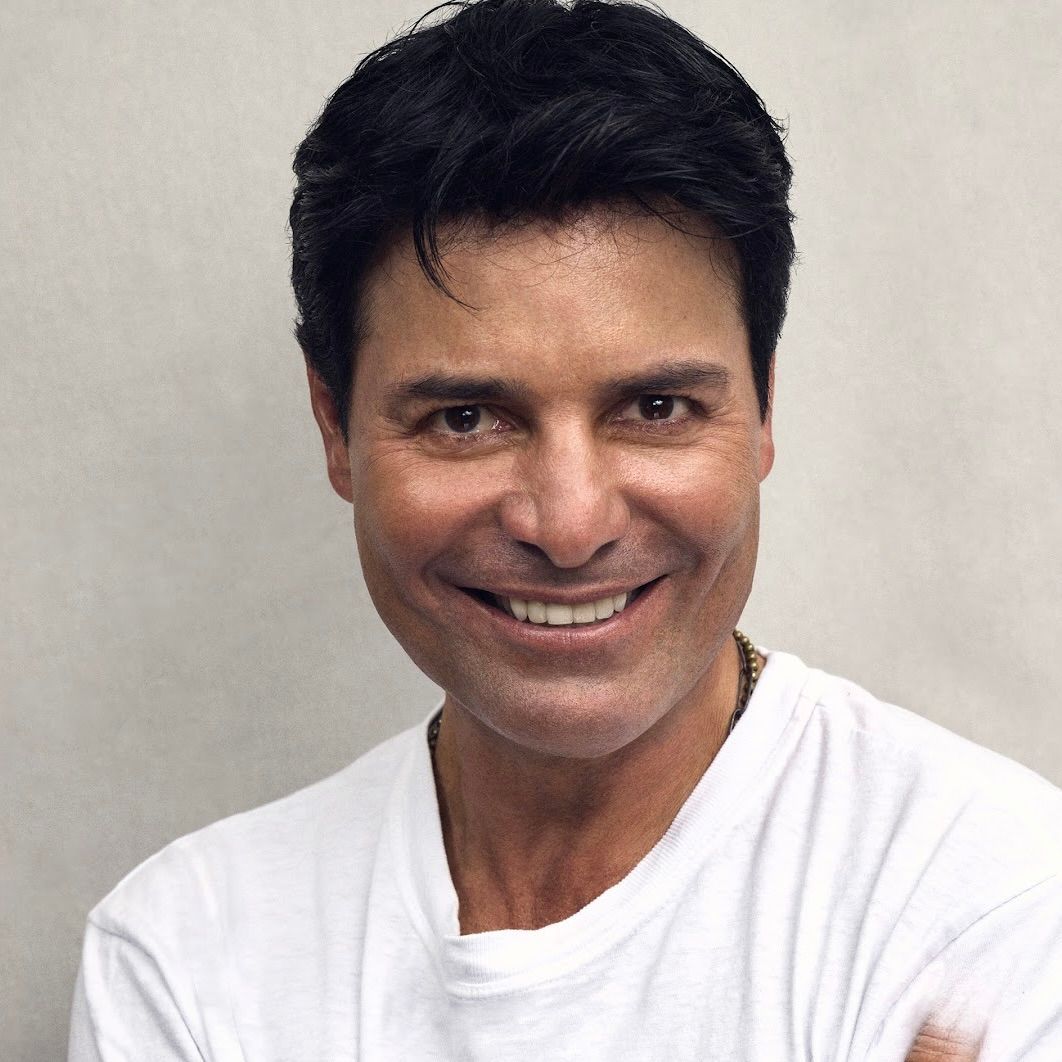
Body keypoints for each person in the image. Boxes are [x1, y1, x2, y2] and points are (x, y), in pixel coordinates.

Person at [68, 0, 1062, 1059]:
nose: (571, 523)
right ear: (336, 427)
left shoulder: (995, 906)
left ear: (764, 411)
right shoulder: (186, 956)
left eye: (656, 408)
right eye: (465, 418)